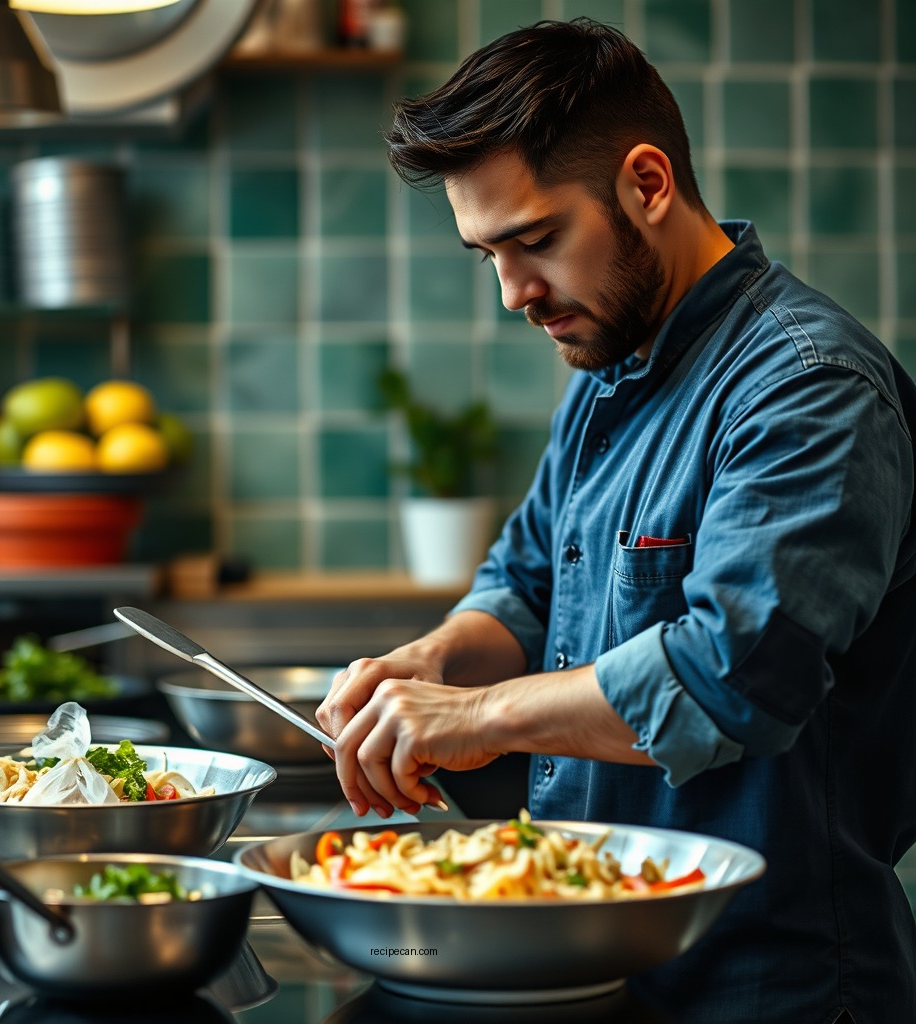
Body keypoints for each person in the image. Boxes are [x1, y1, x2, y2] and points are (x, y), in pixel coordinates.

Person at [314, 16, 916, 1024]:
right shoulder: (608, 368)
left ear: (647, 183)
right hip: (606, 966)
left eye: (535, 240)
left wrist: (472, 717)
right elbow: (527, 577)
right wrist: (434, 660)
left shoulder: (811, 387)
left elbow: (734, 674)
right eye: (487, 255)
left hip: (771, 986)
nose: (514, 293)